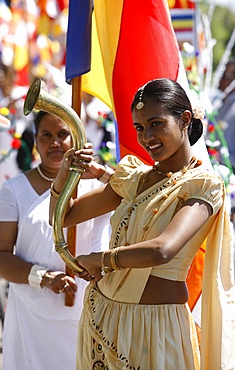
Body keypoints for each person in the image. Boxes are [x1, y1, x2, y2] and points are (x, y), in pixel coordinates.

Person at [49, 78, 235, 370]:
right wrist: (67, 171)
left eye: (156, 124)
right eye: (139, 127)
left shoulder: (203, 185)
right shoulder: (133, 178)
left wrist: (103, 260)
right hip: (102, 318)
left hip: (156, 328)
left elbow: (163, 249)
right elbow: (64, 217)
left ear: (185, 119)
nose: (147, 136)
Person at [0, 111, 114, 370]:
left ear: (78, 139)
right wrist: (44, 278)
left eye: (63, 134)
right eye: (46, 135)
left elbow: (138, 196)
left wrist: (100, 172)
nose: (55, 142)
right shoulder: (15, 190)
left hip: (91, 310)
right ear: (36, 140)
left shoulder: (97, 186)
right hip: (32, 315)